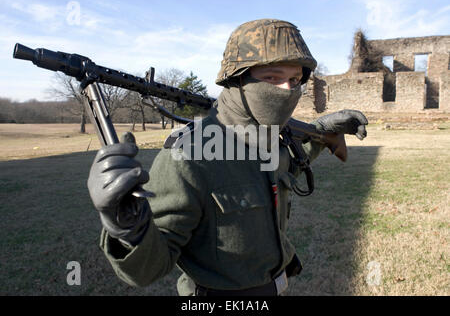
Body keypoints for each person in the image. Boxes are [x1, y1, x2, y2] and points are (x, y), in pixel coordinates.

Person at [87, 18, 368, 296]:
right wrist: (126, 226)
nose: (287, 90)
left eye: (295, 80)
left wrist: (322, 131)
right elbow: (148, 269)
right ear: (237, 80)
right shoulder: (190, 156)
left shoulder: (270, 136)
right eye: (272, 78)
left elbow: (287, 165)